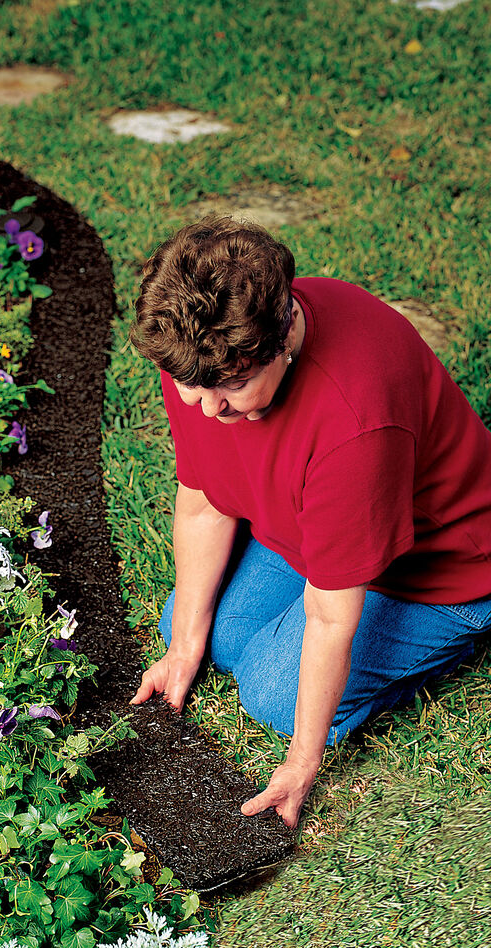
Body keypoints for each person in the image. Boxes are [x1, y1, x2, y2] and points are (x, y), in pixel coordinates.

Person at [128, 214, 491, 828]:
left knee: (272, 692)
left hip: (435, 570)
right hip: (308, 526)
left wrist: (300, 763)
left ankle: (463, 631)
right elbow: (203, 500)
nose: (208, 408)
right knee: (201, 631)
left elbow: (330, 615)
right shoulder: (201, 354)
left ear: (282, 341)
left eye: (235, 387)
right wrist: (184, 647)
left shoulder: (355, 422)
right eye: (193, 387)